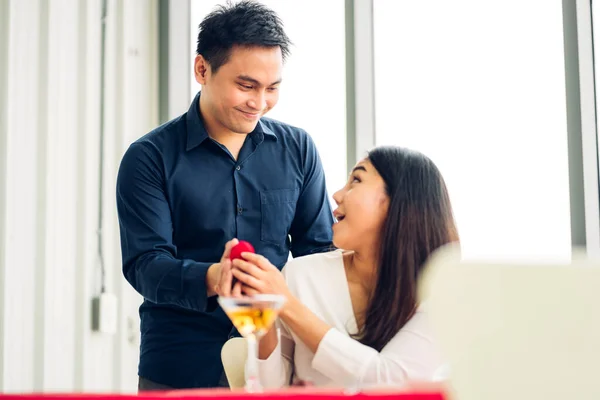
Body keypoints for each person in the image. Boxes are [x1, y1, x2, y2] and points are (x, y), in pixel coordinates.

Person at [116, 1, 334, 390]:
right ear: (202, 69)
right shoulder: (149, 158)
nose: (259, 102)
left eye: (272, 88)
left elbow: (318, 255)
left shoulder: (298, 149)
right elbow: (145, 264)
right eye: (246, 86)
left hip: (278, 358)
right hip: (181, 362)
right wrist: (213, 277)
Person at [224, 146, 459, 388]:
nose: (336, 195)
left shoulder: (439, 292)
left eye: (357, 180)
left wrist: (287, 305)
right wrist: (264, 312)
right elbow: (269, 389)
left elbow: (390, 384)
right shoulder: (301, 274)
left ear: (399, 201)